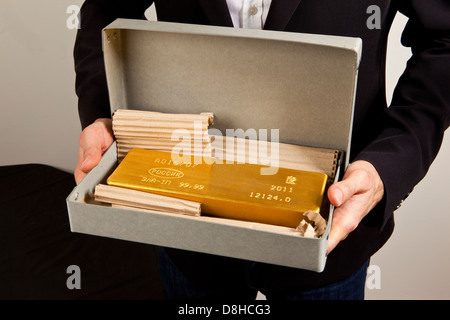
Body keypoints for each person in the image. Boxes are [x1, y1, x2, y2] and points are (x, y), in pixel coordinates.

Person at [73, 0, 450, 300]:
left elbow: (444, 39)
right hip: (186, 227)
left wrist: (389, 163)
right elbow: (105, 10)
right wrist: (108, 117)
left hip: (332, 228)